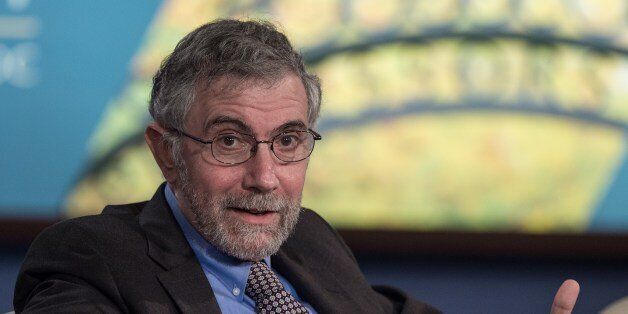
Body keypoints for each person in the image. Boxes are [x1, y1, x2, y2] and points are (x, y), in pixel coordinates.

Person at [13, 19, 579, 314]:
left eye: (287, 140)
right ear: (166, 150)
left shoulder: (306, 241)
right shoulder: (95, 259)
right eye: (229, 141)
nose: (265, 178)